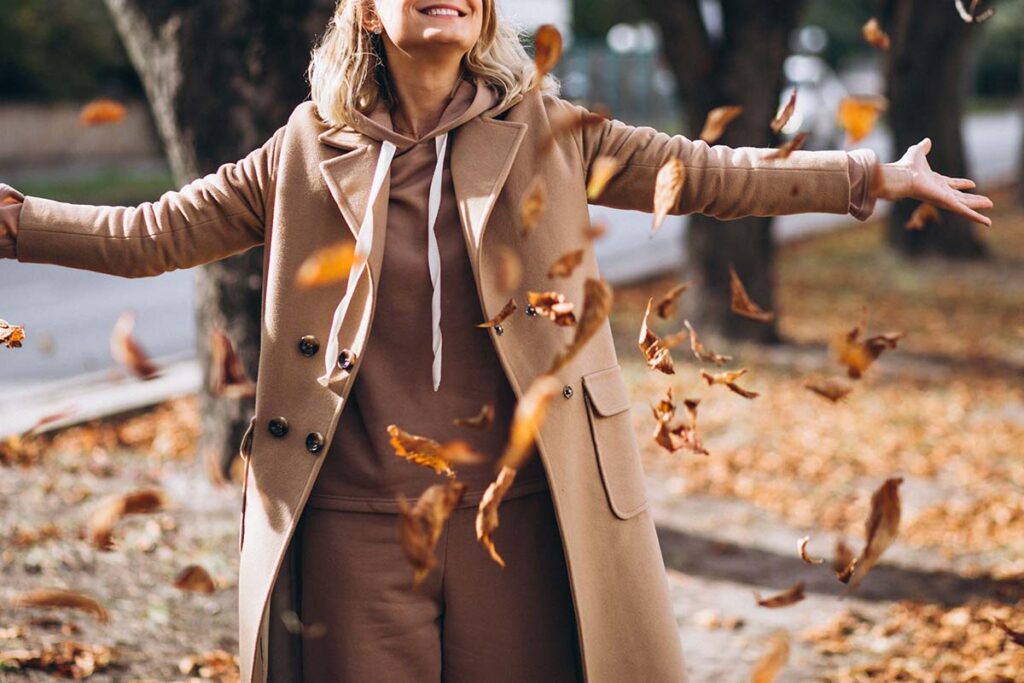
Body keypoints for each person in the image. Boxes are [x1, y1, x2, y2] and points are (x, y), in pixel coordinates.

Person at [0, 1, 993, 682]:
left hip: (520, 512)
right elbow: (153, 233)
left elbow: (703, 172)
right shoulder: (306, 148)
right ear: (364, 12)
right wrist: (16, 218)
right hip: (356, 520)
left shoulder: (549, 128)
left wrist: (869, 177)